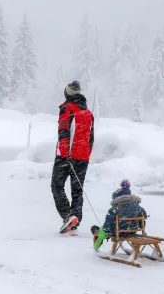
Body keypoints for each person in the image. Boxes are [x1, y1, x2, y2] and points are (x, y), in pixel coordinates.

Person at [51, 80, 94, 236]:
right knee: (77, 190)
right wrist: (86, 154)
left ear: (67, 93)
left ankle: (68, 216)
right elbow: (91, 137)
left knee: (56, 186)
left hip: (66, 156)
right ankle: (74, 221)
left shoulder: (67, 109)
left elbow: (63, 132)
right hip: (83, 158)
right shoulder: (88, 113)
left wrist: (64, 154)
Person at [92, 179, 147, 251]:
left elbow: (107, 227)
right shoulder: (138, 207)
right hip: (133, 231)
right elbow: (144, 217)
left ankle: (96, 246)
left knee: (101, 230)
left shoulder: (114, 210)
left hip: (119, 233)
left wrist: (102, 234)